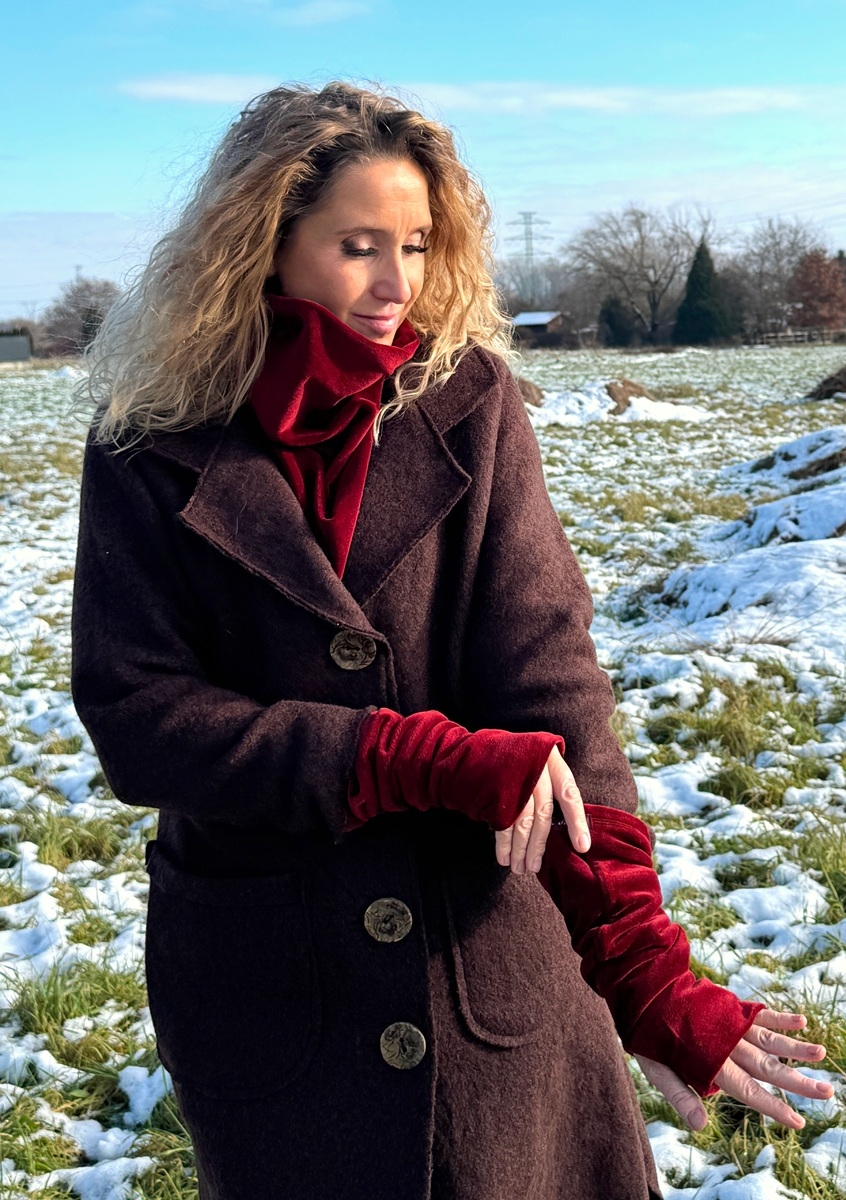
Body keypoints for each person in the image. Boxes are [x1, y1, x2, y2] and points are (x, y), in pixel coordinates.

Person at [71, 82, 832, 1200]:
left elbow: (551, 682)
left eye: (419, 245)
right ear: (264, 244)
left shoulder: (466, 400)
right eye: (360, 247)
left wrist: (642, 968)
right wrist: (399, 755)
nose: (398, 285)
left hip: (487, 969)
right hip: (271, 984)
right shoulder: (147, 440)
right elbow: (138, 714)